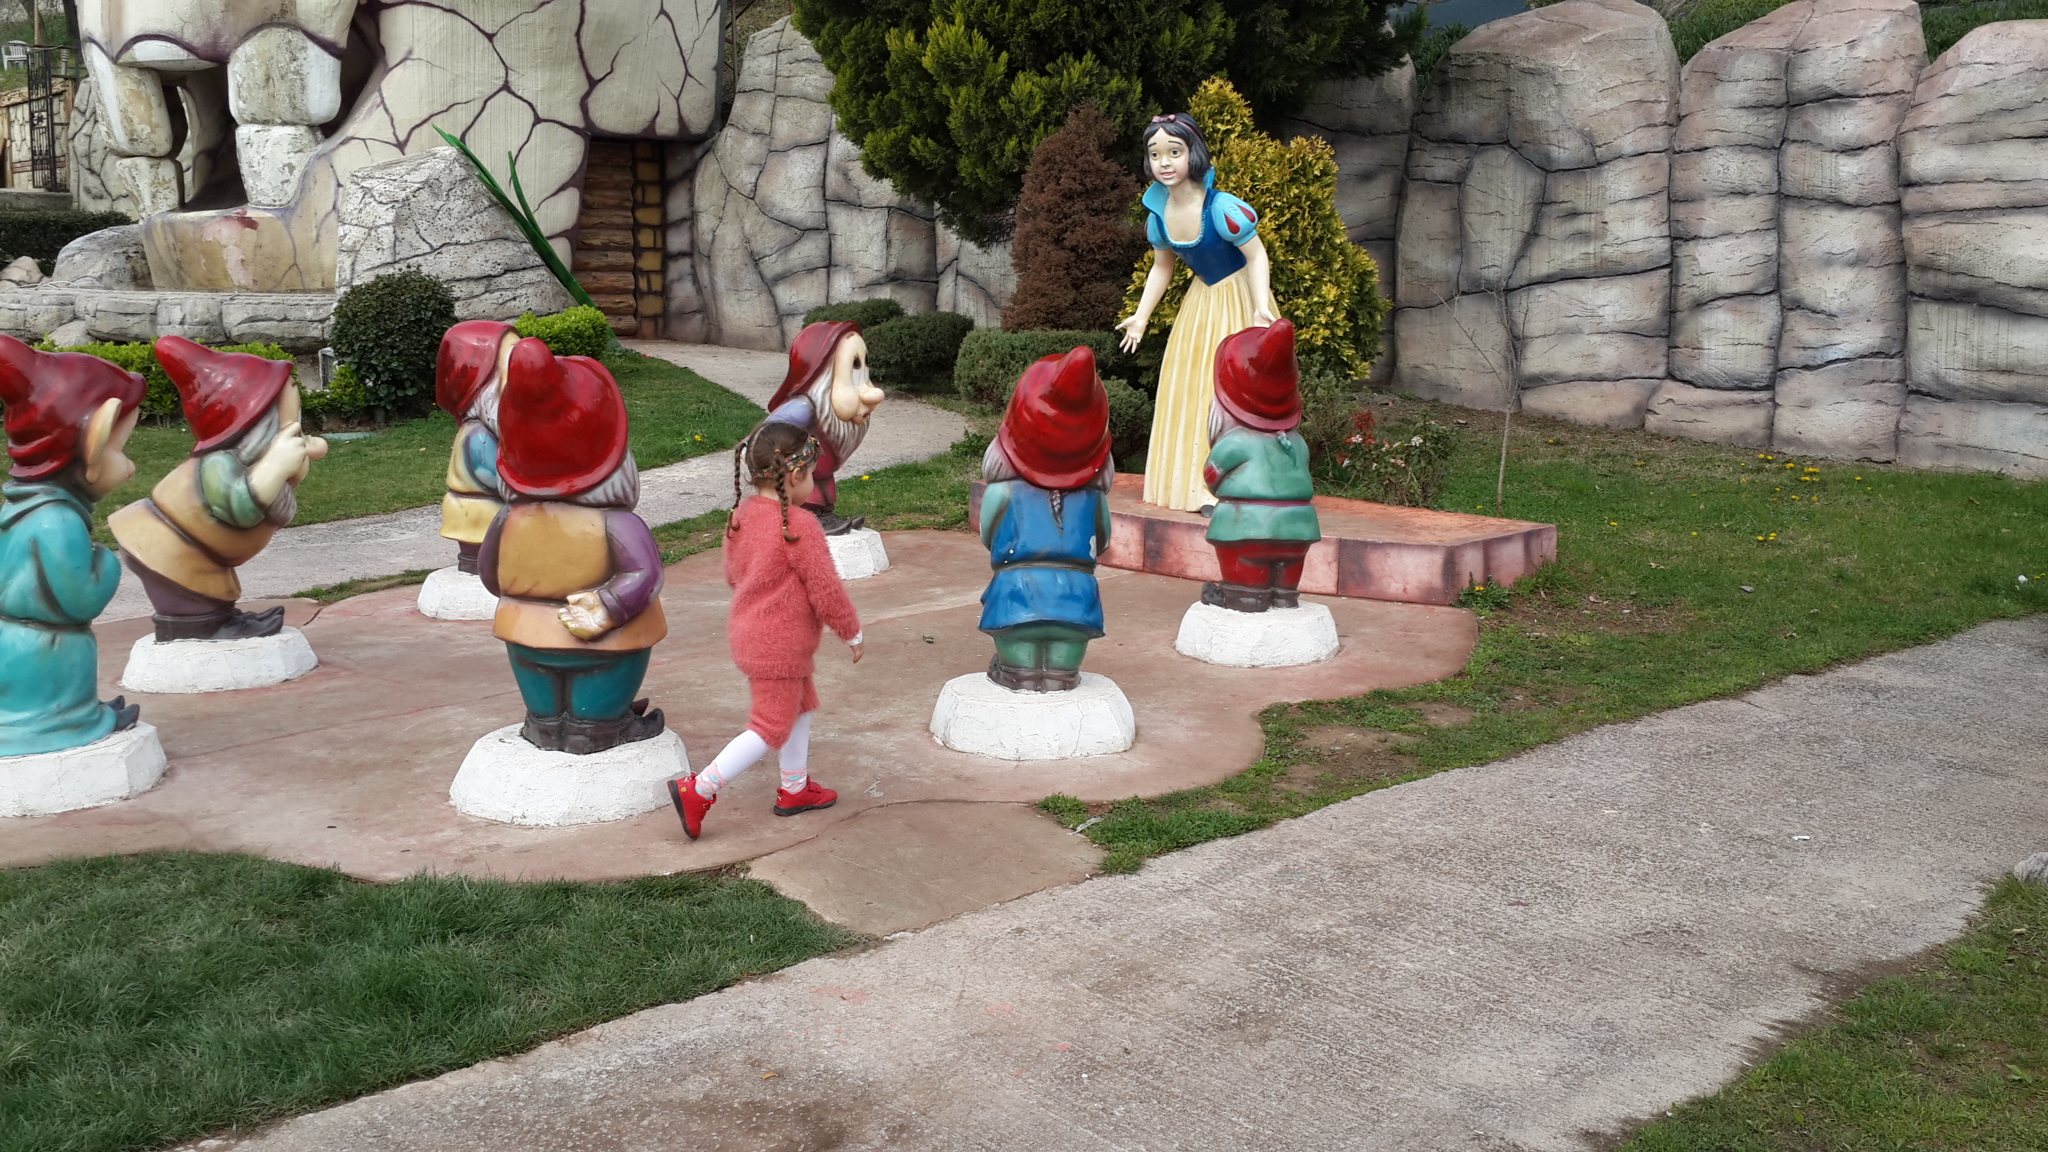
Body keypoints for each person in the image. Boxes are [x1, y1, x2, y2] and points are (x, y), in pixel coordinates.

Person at [669, 421, 863, 840]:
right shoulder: (799, 525)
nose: (813, 484)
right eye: (811, 476)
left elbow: (732, 575)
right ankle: (699, 789)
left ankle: (795, 788)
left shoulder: (740, 517)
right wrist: (851, 632)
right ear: (795, 476)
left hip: (752, 633)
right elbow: (825, 589)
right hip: (780, 643)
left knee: (801, 705)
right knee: (770, 725)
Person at [477, 337, 669, 755]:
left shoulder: (507, 521)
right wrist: (608, 605)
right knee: (601, 686)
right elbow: (645, 574)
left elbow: (490, 576)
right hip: (605, 647)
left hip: (525, 637)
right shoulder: (616, 524)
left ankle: (546, 723)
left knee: (543, 700)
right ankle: (597, 724)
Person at [109, 336, 329, 642]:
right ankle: (200, 627)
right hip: (168, 547)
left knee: (206, 596)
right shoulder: (219, 463)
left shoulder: (248, 458)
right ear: (259, 415)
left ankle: (221, 619)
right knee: (191, 602)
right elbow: (237, 507)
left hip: (200, 552)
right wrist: (275, 465)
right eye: (290, 405)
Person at [1114, 112, 1279, 514]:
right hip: (1201, 303)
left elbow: (1257, 256)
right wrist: (1141, 316)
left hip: (1239, 300)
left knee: (1231, 390)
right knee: (1192, 388)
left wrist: (1261, 305)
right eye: (1156, 154)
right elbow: (1162, 267)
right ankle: (1194, 485)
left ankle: (1239, 487)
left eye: (1175, 152)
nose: (1165, 162)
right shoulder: (1158, 215)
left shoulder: (1222, 208)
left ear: (1194, 154)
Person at [0, 337, 147, 755]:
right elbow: (81, 600)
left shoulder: (20, 508)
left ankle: (78, 712)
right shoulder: (57, 521)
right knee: (44, 704)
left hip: (20, 645)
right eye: (120, 450)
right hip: (44, 652)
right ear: (91, 447)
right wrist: (107, 562)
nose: (131, 466)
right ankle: (67, 723)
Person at [977, 345, 1114, 692]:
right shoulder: (1093, 498)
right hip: (1077, 594)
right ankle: (1060, 675)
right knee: (1064, 659)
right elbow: (1104, 540)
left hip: (1016, 590)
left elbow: (987, 534)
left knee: (1018, 652)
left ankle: (1018, 673)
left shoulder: (1003, 492)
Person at [1202, 319, 1321, 612]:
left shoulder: (1236, 442)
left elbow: (1212, 478)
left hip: (1245, 529)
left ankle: (1243, 598)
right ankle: (1284, 595)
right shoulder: (1297, 442)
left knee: (1247, 589)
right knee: (1285, 591)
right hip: (1298, 530)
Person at [762, 320, 886, 535]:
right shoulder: (803, 408)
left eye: (862, 365)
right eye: (855, 365)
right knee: (807, 486)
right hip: (798, 469)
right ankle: (810, 517)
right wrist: (754, 449)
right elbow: (769, 430)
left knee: (822, 483)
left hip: (818, 465)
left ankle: (826, 515)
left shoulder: (829, 413)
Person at [434, 320, 517, 573]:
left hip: (481, 512)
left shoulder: (486, 431)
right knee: (488, 554)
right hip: (479, 514)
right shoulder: (479, 436)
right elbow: (494, 477)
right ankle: (480, 564)